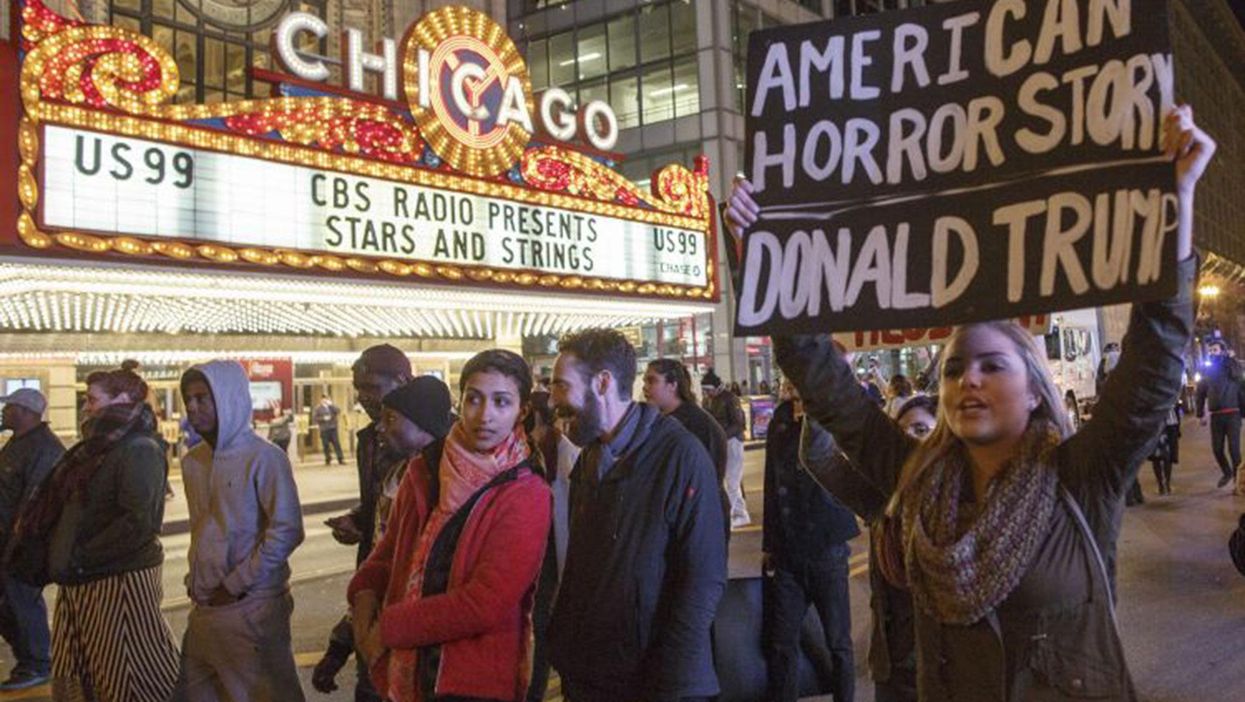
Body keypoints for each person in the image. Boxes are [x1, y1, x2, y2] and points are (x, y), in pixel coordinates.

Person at [724, 105, 1212, 700]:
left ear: (1035, 390)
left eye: (991, 366)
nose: (968, 380)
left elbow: (1154, 366)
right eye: (955, 368)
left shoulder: (1083, 477)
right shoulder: (915, 477)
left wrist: (1175, 203)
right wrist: (765, 262)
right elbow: (829, 390)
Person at [347, 350, 551, 702]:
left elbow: (484, 603)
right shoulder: (425, 468)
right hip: (403, 672)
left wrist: (389, 628)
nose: (484, 415)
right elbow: (388, 554)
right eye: (474, 398)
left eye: (501, 402)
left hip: (471, 682)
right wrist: (363, 601)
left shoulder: (526, 490)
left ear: (522, 411)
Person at [548, 328, 727, 702]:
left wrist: (672, 684)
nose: (552, 400)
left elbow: (703, 578)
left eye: (561, 386)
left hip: (651, 681)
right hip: (590, 674)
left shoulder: (679, 455)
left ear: (602, 383)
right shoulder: (589, 459)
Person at [9, 369, 181, 700]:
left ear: (123, 399)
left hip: (117, 583)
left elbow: (138, 522)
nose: (86, 408)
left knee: (130, 674)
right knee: (88, 674)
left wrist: (78, 557)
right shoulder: (96, 447)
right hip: (83, 582)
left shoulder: (138, 447)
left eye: (92, 399)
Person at [314, 376, 454, 698]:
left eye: (391, 419)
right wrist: (343, 643)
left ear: (424, 425)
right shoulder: (397, 479)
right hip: (381, 638)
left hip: (421, 648)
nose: (380, 428)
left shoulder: (449, 488)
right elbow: (383, 562)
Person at [174, 361, 305, 701]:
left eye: (203, 398)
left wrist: (235, 585)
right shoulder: (193, 462)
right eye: (188, 398)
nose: (192, 407)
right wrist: (197, 580)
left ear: (228, 398)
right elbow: (201, 529)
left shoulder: (265, 458)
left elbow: (286, 530)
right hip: (205, 607)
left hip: (252, 607)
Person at [800, 393, 938, 702]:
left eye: (921, 430)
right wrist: (818, 395)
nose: (907, 440)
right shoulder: (882, 501)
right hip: (896, 669)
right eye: (900, 432)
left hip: (951, 670)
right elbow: (819, 458)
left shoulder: (968, 498)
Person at [316, 344, 416, 701]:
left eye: (372, 387)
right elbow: (378, 507)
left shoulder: (434, 444)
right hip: (373, 586)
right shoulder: (369, 441)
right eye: (358, 388)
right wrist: (359, 519)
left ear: (402, 381)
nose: (362, 397)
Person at [762, 381, 858, 702]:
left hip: (826, 547)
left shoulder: (829, 416)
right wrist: (769, 543)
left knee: (838, 643)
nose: (789, 383)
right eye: (787, 377)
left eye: (797, 376)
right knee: (781, 642)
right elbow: (771, 483)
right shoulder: (780, 418)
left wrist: (814, 413)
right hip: (788, 551)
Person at [0, 389, 63, 690]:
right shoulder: (17, 444)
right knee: (7, 602)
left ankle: (37, 662)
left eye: (9, 407)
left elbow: (35, 501)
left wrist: (17, 542)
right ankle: (29, 659)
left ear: (26, 412)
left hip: (24, 542)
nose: (4, 412)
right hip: (6, 537)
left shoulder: (44, 448)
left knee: (20, 600)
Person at [525, 388, 580, 702]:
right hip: (532, 556)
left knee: (543, 629)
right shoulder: (527, 449)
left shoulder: (564, 452)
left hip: (548, 560)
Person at [643, 358, 731, 536]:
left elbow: (705, 479)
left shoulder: (697, 424)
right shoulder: (659, 421)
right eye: (645, 381)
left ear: (672, 385)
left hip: (700, 520)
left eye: (652, 381)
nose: (645, 387)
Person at [702, 371, 751, 528]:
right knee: (730, 480)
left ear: (716, 387)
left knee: (732, 480)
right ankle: (740, 514)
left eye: (708, 390)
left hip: (733, 442)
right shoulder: (708, 400)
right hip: (721, 442)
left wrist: (721, 435)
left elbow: (739, 424)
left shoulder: (730, 398)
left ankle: (730, 515)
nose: (706, 393)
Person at [1195, 339, 1243, 489]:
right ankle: (1227, 472)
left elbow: (1239, 376)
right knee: (1217, 449)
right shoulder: (1207, 370)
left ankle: (1238, 481)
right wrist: (1200, 414)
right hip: (1216, 415)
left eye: (1214, 350)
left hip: (1233, 414)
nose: (1211, 353)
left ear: (1222, 350)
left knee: (1234, 450)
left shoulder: (1231, 365)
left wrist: (1231, 358)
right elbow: (1200, 392)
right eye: (1210, 350)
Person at [315, 394, 346, 465]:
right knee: (325, 444)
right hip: (324, 429)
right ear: (321, 400)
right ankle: (328, 459)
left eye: (326, 399)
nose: (325, 400)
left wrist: (331, 405)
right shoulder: (318, 408)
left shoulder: (332, 407)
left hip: (333, 428)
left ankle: (340, 458)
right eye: (323, 399)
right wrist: (323, 418)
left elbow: (338, 411)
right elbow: (315, 418)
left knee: (336, 443)